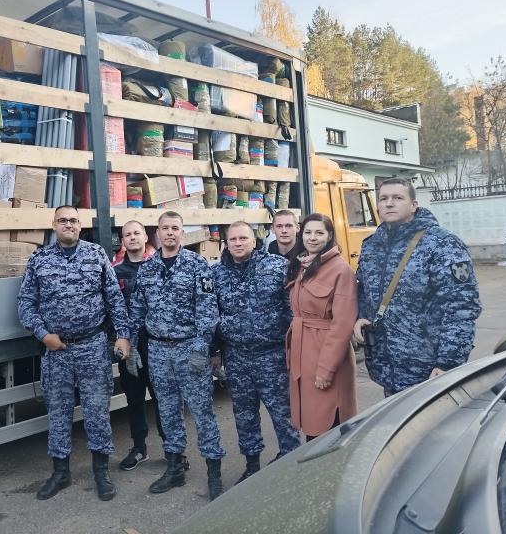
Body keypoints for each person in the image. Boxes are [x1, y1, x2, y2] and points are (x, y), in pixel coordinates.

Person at [17, 206, 131, 501]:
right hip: (57, 350)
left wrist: (123, 336)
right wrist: (44, 335)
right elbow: (25, 304)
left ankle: (101, 472)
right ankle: (60, 473)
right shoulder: (39, 260)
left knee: (97, 410)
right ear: (53, 225)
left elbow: (114, 298)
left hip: (92, 345)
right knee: (58, 412)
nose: (68, 224)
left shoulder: (96, 255)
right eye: (63, 220)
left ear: (81, 226)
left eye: (73, 220)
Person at [353, 178, 482, 396]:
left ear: (414, 205)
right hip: (386, 366)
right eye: (383, 198)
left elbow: (462, 307)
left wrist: (448, 363)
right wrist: (361, 315)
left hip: (428, 368)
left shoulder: (441, 244)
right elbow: (364, 288)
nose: (389, 203)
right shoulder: (372, 245)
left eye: (398, 198)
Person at [130, 211, 226, 500]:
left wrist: (202, 348)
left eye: (175, 228)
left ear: (182, 233)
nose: (169, 232)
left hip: (189, 348)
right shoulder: (146, 269)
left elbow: (208, 312)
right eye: (165, 228)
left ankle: (213, 470)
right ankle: (175, 467)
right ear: (156, 233)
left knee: (201, 411)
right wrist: (132, 345)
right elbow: (137, 310)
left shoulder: (198, 266)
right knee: (168, 410)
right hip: (158, 350)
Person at [212, 221, 301, 483]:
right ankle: (252, 465)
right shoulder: (216, 274)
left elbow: (293, 309)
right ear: (226, 243)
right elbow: (212, 314)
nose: (238, 243)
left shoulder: (276, 267)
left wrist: (294, 347)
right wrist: (215, 350)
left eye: (243, 238)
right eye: (233, 239)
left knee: (283, 414)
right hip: (236, 357)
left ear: (255, 240)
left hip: (271, 355)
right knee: (244, 414)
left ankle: (291, 460)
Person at [287, 213, 358, 440]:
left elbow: (342, 325)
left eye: (319, 233)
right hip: (304, 352)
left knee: (329, 424)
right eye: (308, 232)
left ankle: (331, 474)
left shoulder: (340, 269)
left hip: (325, 354)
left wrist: (326, 369)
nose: (313, 238)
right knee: (311, 423)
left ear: (329, 236)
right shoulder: (302, 265)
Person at [112, 220, 164, 471]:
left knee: (163, 398)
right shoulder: (114, 271)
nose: (132, 238)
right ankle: (139, 447)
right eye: (127, 235)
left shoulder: (160, 267)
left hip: (157, 344)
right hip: (129, 343)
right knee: (134, 398)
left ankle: (172, 448)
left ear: (146, 237)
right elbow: (111, 308)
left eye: (136, 233)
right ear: (123, 241)